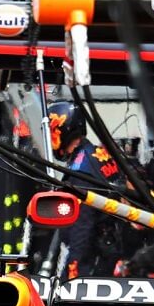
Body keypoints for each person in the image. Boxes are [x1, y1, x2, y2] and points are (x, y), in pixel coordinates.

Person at [48, 100, 123, 280]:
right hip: (115, 247)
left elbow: (82, 226)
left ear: (64, 129)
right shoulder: (98, 154)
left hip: (96, 256)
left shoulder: (80, 170)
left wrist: (73, 269)